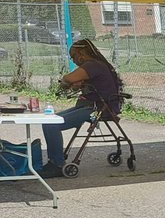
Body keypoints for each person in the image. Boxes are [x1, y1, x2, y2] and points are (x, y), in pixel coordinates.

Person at [38, 38, 124, 178]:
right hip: (93, 107)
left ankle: (57, 164)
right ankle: (54, 161)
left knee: (52, 124)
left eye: (73, 56)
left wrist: (67, 81)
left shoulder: (92, 66)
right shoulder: (97, 65)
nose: (73, 60)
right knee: (49, 121)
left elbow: (68, 78)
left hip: (97, 110)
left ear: (81, 53)